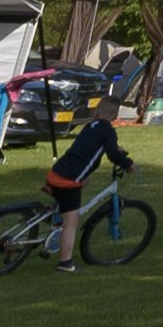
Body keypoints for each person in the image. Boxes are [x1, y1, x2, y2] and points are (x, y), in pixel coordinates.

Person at [40, 86, 134, 267]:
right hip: (68, 181)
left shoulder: (90, 126)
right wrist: (129, 164)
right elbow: (113, 154)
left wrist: (116, 149)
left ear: (97, 111)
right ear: (115, 116)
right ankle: (65, 263)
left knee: (85, 181)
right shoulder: (108, 130)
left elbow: (96, 145)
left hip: (57, 172)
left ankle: (55, 216)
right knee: (72, 221)